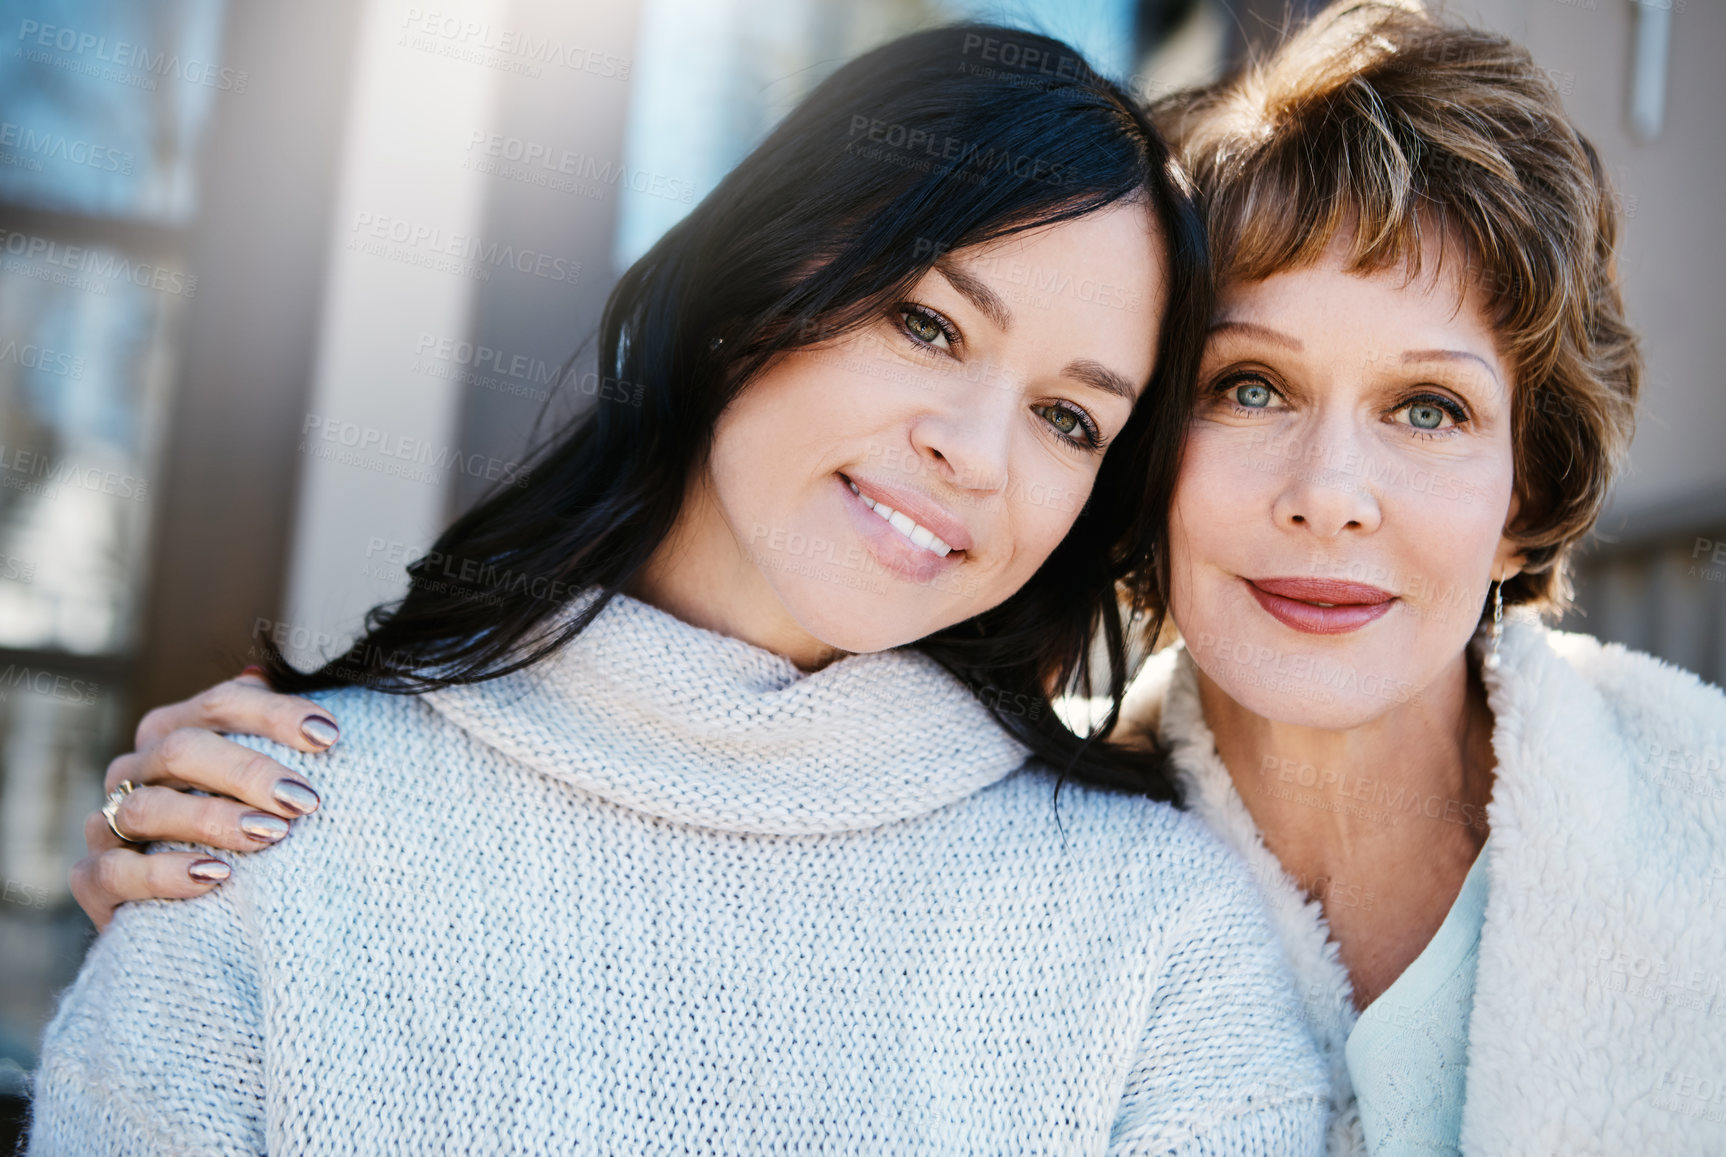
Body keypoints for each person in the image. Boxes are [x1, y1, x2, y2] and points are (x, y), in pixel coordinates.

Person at [29, 24, 1329, 1156]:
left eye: (1065, 417)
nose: (976, 456)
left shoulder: (1153, 938)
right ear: (754, 281)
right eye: (928, 324)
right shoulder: (266, 823)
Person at [1107, 2, 1723, 1152]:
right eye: (1250, 384)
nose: (1329, 489)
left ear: (1521, 502)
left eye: (1427, 407)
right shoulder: (997, 872)